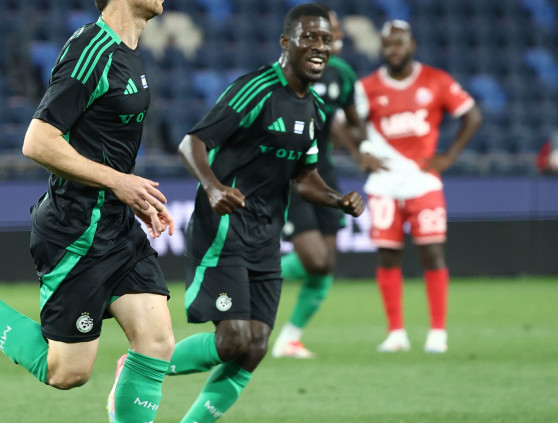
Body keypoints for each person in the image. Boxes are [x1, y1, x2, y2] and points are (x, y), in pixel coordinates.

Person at [0, 1, 178, 422]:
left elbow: (102, 143)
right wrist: (117, 182)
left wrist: (129, 196)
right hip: (76, 232)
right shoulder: (91, 51)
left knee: (156, 342)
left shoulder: (128, 53)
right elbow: (38, 141)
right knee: (67, 372)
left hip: (115, 223)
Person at [154, 5, 362, 422]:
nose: (320, 46)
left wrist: (336, 199)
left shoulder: (315, 109)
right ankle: (141, 365)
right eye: (309, 37)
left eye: (326, 39)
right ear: (286, 43)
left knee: (255, 348)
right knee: (233, 339)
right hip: (224, 229)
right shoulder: (256, 89)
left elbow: (304, 176)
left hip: (267, 237)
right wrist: (213, 187)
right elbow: (192, 143)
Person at [353, 20, 481, 353]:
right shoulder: (367, 87)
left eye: (399, 43)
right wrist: (359, 153)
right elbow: (342, 123)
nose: (393, 50)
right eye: (387, 44)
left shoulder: (436, 80)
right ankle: (396, 333)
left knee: (432, 253)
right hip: (383, 184)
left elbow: (472, 115)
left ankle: (437, 332)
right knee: (387, 256)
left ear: (412, 46)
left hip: (423, 181)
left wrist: (450, 155)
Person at [271, 6, 363, 359]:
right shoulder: (289, 71)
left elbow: (353, 119)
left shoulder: (342, 75)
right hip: (292, 175)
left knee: (324, 265)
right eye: (321, 32)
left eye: (333, 31)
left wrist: (362, 146)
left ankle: (290, 339)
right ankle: (251, 272)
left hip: (325, 171)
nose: (329, 37)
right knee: (314, 260)